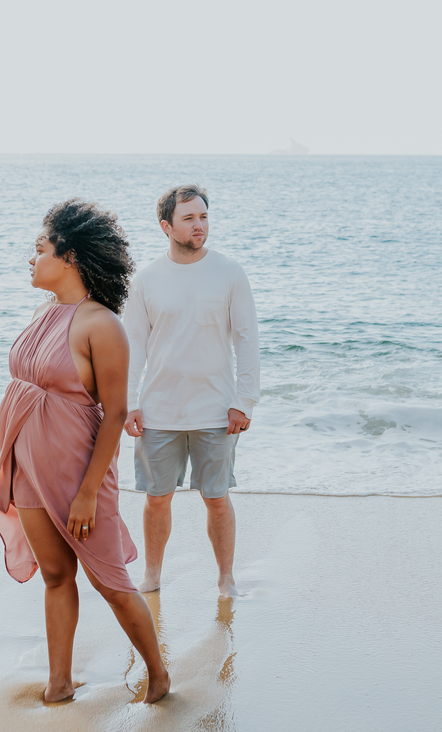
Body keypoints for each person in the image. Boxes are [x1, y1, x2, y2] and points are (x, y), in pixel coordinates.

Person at [0, 199, 170, 704]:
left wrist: (89, 492)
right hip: (28, 466)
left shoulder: (101, 325)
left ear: (69, 258)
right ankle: (59, 682)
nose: (32, 257)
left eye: (40, 248)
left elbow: (113, 414)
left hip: (77, 476)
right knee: (55, 574)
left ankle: (159, 676)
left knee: (110, 581)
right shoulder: (45, 313)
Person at [123, 185, 260, 598]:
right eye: (189, 218)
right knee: (156, 499)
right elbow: (134, 347)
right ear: (166, 226)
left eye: (203, 217)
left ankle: (225, 579)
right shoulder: (145, 280)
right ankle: (151, 576)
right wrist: (129, 404)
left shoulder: (229, 272)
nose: (199, 225)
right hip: (158, 411)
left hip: (217, 411)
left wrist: (244, 400)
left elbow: (247, 339)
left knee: (217, 498)